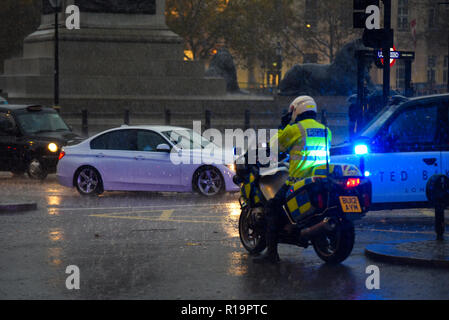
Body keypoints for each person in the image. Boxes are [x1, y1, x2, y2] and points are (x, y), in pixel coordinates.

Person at [253, 95, 332, 263]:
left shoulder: (295, 129)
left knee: (272, 208)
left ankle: (271, 254)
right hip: (320, 180)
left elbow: (275, 147)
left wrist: (284, 126)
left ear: (296, 111)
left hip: (298, 181)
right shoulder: (326, 130)